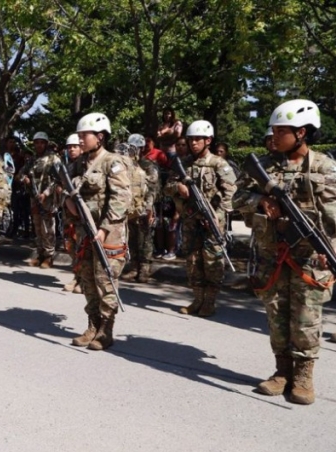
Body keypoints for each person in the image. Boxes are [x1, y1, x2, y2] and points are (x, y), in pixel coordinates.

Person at [233, 99, 334, 405]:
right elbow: (237, 197)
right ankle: (282, 372)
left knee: (306, 319)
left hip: (309, 258)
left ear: (301, 132)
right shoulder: (263, 166)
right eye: (273, 130)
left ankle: (303, 377)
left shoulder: (324, 167)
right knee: (276, 315)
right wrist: (260, 202)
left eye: (280, 130)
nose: (273, 135)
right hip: (273, 255)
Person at [64, 113, 131, 351]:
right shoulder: (77, 164)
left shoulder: (113, 162)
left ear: (100, 137)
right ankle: (92, 325)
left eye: (85, 135)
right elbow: (69, 194)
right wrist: (69, 204)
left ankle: (106, 330)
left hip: (107, 233)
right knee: (88, 281)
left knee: (105, 281)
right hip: (84, 233)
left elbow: (121, 199)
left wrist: (104, 229)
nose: (80, 140)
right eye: (79, 135)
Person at [164, 120, 237, 317]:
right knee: (193, 260)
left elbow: (231, 195)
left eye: (198, 139)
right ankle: (197, 299)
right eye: (191, 139)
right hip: (190, 219)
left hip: (212, 220)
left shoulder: (219, 164)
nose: (194, 143)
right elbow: (167, 186)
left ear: (208, 140)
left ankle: (210, 301)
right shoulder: (184, 164)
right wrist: (178, 188)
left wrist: (215, 216)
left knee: (212, 261)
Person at [19, 132, 61, 268]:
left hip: (48, 199)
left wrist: (46, 193)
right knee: (37, 226)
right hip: (34, 198)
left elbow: (57, 179)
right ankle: (40, 253)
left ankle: (49, 256)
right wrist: (24, 179)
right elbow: (20, 174)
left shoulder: (54, 159)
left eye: (42, 142)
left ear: (46, 143)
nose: (39, 145)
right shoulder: (32, 160)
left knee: (48, 227)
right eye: (36, 142)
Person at [121, 134, 159, 283]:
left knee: (145, 239)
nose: (134, 151)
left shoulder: (149, 165)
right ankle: (134, 267)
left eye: (137, 148)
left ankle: (144, 269)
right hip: (131, 208)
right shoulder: (127, 165)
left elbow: (153, 189)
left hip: (144, 207)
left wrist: (148, 207)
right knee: (132, 238)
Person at [61, 133, 84, 294]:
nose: (72, 150)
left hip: (82, 213)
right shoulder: (68, 166)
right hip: (69, 213)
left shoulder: (86, 165)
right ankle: (77, 276)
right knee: (71, 246)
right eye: (69, 147)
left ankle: (84, 280)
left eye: (74, 146)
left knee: (84, 247)